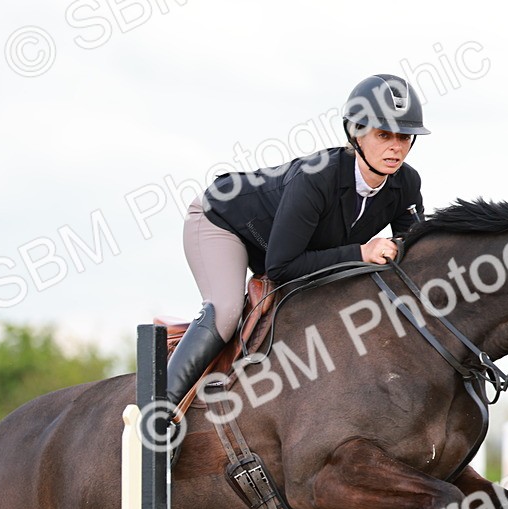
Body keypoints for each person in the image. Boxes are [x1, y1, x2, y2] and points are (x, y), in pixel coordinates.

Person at [166, 73, 430, 408]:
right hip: (223, 222)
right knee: (227, 312)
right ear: (356, 134)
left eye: (405, 137)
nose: (396, 147)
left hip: (287, 247)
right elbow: (281, 267)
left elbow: (412, 252)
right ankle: (159, 410)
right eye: (383, 135)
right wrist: (362, 252)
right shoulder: (316, 179)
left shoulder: (406, 183)